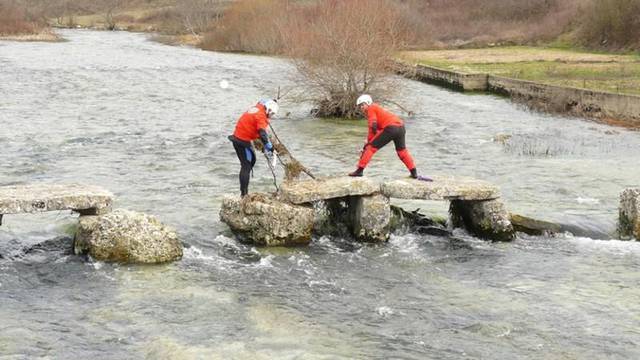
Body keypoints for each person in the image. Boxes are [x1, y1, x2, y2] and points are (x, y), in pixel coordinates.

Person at [349, 94, 418, 178]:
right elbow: (377, 129)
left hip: (391, 128)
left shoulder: (371, 108)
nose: (361, 107)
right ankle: (414, 173)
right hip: (401, 127)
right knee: (402, 151)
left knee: (370, 148)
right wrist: (368, 141)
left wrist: (368, 144)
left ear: (368, 102)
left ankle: (359, 171)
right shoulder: (377, 108)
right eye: (360, 106)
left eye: (362, 105)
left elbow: (373, 126)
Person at [228, 99, 278, 196]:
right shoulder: (261, 116)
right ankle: (244, 195)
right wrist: (270, 147)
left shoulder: (259, 107)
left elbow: (263, 100)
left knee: (248, 163)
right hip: (242, 141)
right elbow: (262, 134)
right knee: (246, 166)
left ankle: (243, 193)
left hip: (238, 136)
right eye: (271, 113)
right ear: (268, 109)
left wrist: (274, 101)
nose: (271, 116)